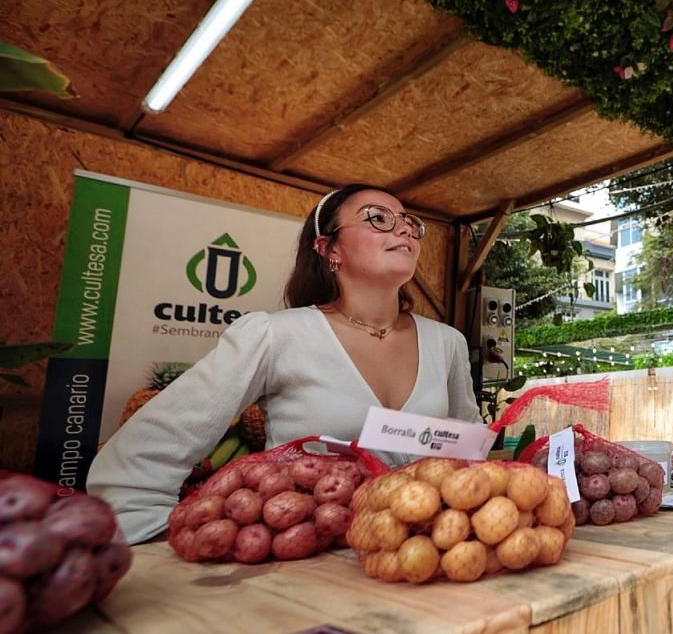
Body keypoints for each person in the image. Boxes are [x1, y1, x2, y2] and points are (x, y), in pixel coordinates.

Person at [88, 185, 478, 544]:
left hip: (422, 558)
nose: (405, 231)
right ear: (329, 249)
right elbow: (145, 451)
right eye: (378, 218)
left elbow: (470, 451)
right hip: (308, 566)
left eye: (410, 224)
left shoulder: (447, 343)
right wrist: (157, 539)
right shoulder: (275, 335)